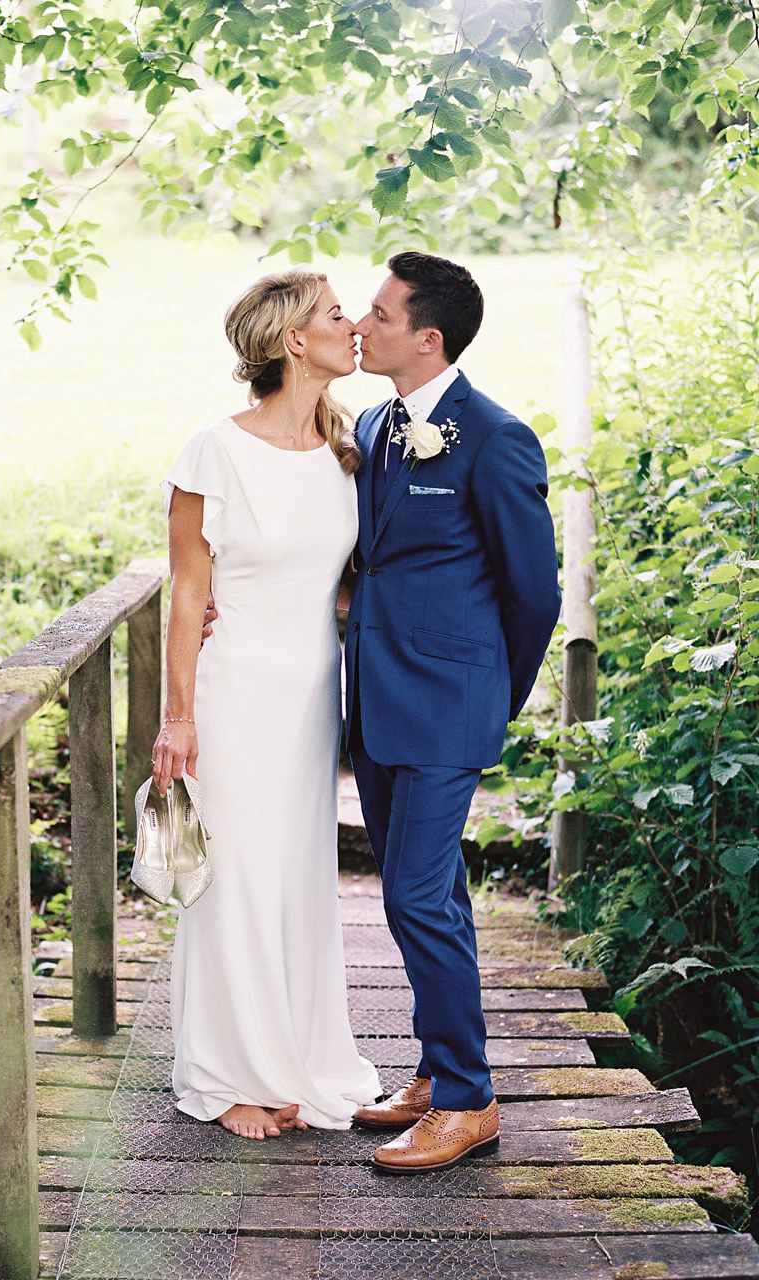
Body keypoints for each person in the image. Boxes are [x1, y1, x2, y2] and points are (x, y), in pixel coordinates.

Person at [150, 269, 381, 1141]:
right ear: (293, 341)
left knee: (296, 876)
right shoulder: (215, 449)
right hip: (235, 686)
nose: (352, 324)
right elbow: (185, 592)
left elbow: (351, 579)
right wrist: (178, 718)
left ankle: (302, 1055)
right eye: (333, 315)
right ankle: (225, 1074)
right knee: (235, 874)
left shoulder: (346, 445)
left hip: (313, 692)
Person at [346, 252, 561, 1172]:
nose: (361, 324)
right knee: (433, 895)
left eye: (379, 314)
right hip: (377, 700)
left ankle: (470, 1101)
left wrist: (489, 699)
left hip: (450, 706)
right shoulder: (372, 422)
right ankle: (439, 1070)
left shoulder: (496, 438)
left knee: (410, 892)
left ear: (426, 338)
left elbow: (535, 596)